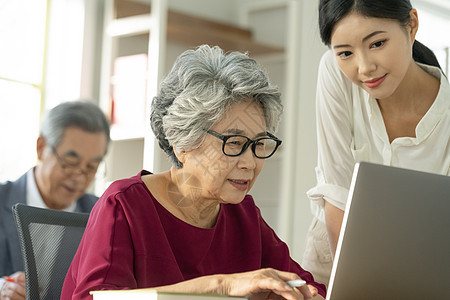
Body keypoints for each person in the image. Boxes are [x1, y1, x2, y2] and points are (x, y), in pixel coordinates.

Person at [61, 45, 327, 300]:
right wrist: (220, 287)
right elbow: (98, 299)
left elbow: (309, 288)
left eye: (258, 144)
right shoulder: (124, 204)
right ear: (183, 144)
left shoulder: (243, 215)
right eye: (234, 143)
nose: (250, 162)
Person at [302, 0, 450, 287]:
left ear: (411, 25)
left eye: (378, 43)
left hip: (420, 265)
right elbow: (337, 191)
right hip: (332, 255)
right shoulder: (334, 74)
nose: (364, 67)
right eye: (345, 52)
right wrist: (353, 285)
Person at [0, 100, 110, 299]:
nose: (79, 176)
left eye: (91, 167)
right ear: (41, 148)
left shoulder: (102, 214)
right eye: (70, 162)